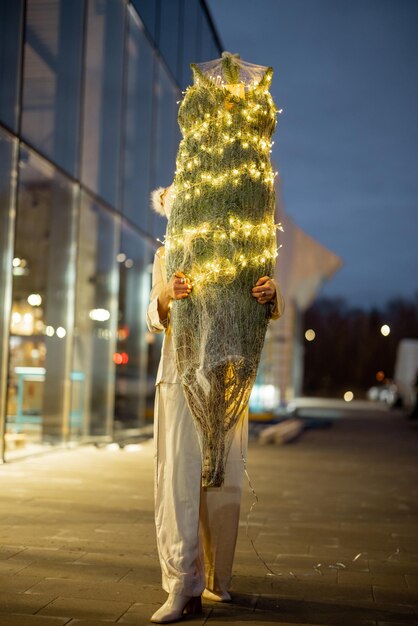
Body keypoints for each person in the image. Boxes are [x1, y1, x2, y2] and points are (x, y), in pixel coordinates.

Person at [147, 186, 284, 623]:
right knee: (178, 484)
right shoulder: (168, 252)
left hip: (226, 379)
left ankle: (213, 579)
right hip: (179, 376)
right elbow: (152, 313)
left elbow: (270, 304)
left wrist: (270, 292)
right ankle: (180, 586)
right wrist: (168, 292)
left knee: (223, 482)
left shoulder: (241, 242)